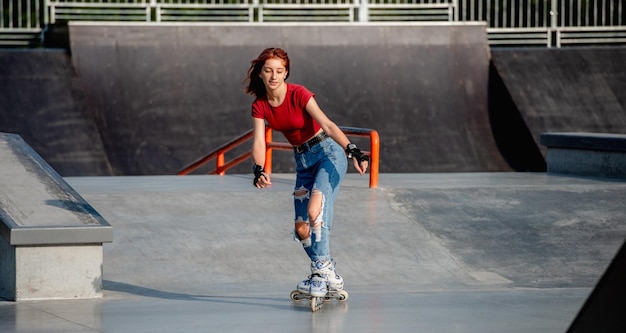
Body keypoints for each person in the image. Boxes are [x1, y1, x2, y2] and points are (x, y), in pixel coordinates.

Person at [245, 47, 369, 298]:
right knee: (302, 229)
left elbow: (327, 124)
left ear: (286, 72)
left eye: (279, 71)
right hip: (302, 161)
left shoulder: (298, 94)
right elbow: (259, 142)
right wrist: (258, 169)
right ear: (260, 73)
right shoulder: (260, 106)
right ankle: (326, 271)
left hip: (328, 154)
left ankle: (319, 271)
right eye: (268, 70)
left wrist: (352, 150)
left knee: (315, 210)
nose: (274, 76)